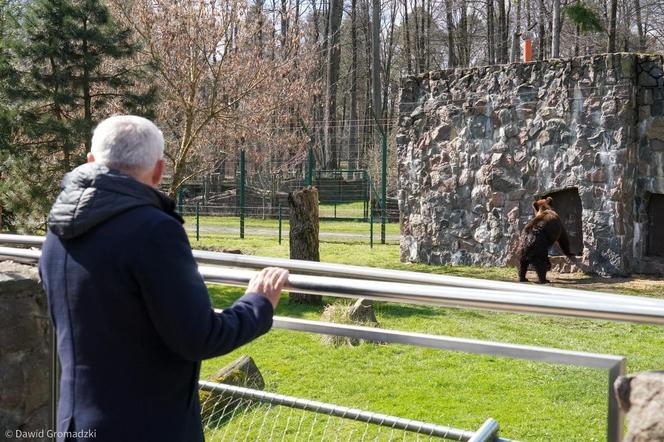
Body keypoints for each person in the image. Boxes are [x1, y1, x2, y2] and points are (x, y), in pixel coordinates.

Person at [39, 115, 289, 442]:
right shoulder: (154, 230)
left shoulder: (58, 229)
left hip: (74, 426)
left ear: (90, 161)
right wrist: (257, 303)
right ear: (159, 171)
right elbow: (200, 337)